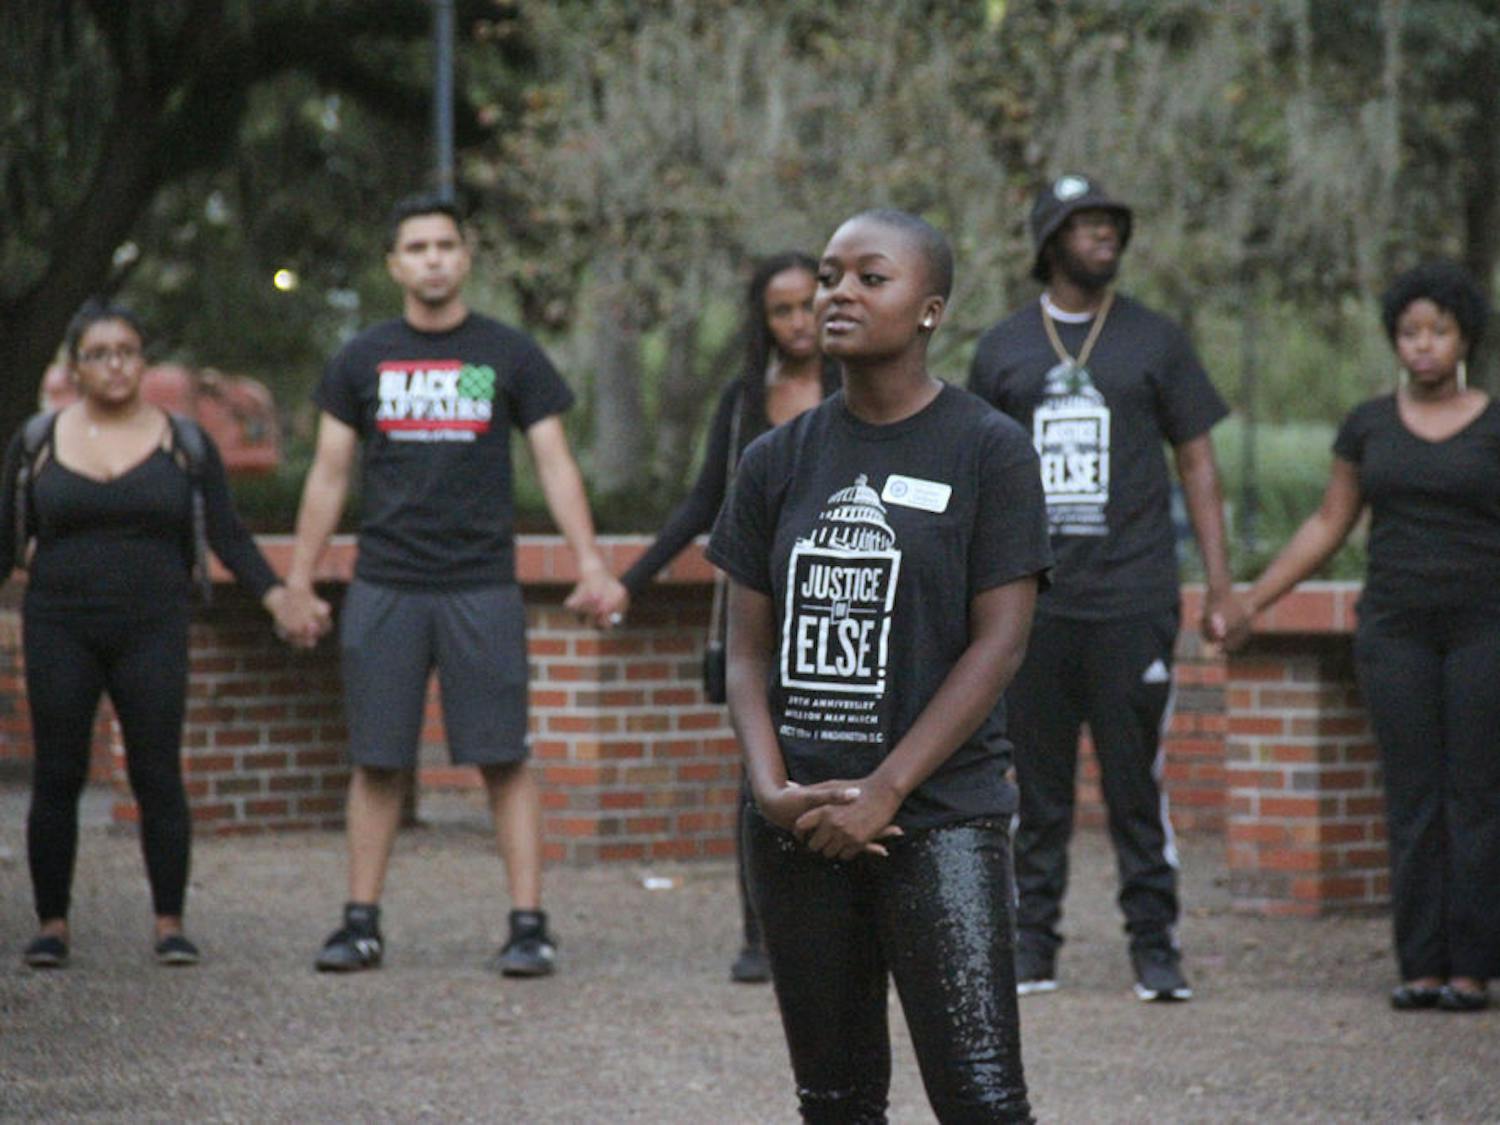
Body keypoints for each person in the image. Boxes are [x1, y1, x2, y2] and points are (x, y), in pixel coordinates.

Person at [709, 209, 1050, 1121]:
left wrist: (888, 789)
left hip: (936, 821)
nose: (838, 295)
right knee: (836, 1101)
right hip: (799, 825)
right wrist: (771, 788)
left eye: (871, 277)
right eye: (828, 276)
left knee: (981, 1100)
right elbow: (743, 651)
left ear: (931, 307)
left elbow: (1000, 643)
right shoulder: (776, 458)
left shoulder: (989, 450)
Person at [277, 195, 625, 977]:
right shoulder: (361, 356)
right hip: (386, 583)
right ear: (395, 264)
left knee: (503, 756)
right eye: (417, 247)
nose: (432, 258)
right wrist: (298, 580)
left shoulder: (510, 352)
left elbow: (555, 463)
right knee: (376, 759)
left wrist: (592, 563)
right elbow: (330, 475)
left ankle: (529, 924)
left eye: (445, 245)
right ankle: (360, 922)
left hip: (481, 584)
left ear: (465, 258)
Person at [968, 173, 1241, 1002]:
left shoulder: (1155, 340)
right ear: (1051, 240)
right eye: (1087, 225)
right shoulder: (1005, 346)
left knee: (1135, 786)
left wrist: (1222, 586)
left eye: (1113, 225)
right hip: (1034, 604)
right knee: (1035, 790)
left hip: (1133, 596)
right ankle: (1031, 946)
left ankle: (1156, 948)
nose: (1105, 237)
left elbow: (1196, 459)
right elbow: (976, 471)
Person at [0, 300, 318, 969]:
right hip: (60, 621)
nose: (115, 364)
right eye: (98, 353)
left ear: (142, 361)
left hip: (153, 623)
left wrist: (278, 595)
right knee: (58, 770)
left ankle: (170, 922)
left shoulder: (184, 443)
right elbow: (6, 543)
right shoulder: (36, 441)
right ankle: (52, 923)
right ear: (75, 366)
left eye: (127, 351)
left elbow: (227, 533)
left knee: (156, 770)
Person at [1225, 261, 1498, 1013]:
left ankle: (1473, 965)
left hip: (1484, 628)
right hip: (1395, 630)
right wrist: (1253, 601)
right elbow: (1326, 523)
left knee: (1474, 796)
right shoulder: (1368, 423)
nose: (1424, 346)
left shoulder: (1494, 421)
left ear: (1464, 335)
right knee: (1411, 796)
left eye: (1438, 331)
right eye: (1410, 332)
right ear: (1394, 340)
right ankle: (1420, 964)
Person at [607, 251, 840, 983]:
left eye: (810, 303)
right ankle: (759, 932)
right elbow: (704, 500)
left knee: (848, 757)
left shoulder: (860, 388)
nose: (800, 321)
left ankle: (850, 927)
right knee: (760, 770)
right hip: (766, 610)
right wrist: (629, 582)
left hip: (846, 599)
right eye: (783, 309)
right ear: (763, 320)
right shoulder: (745, 402)